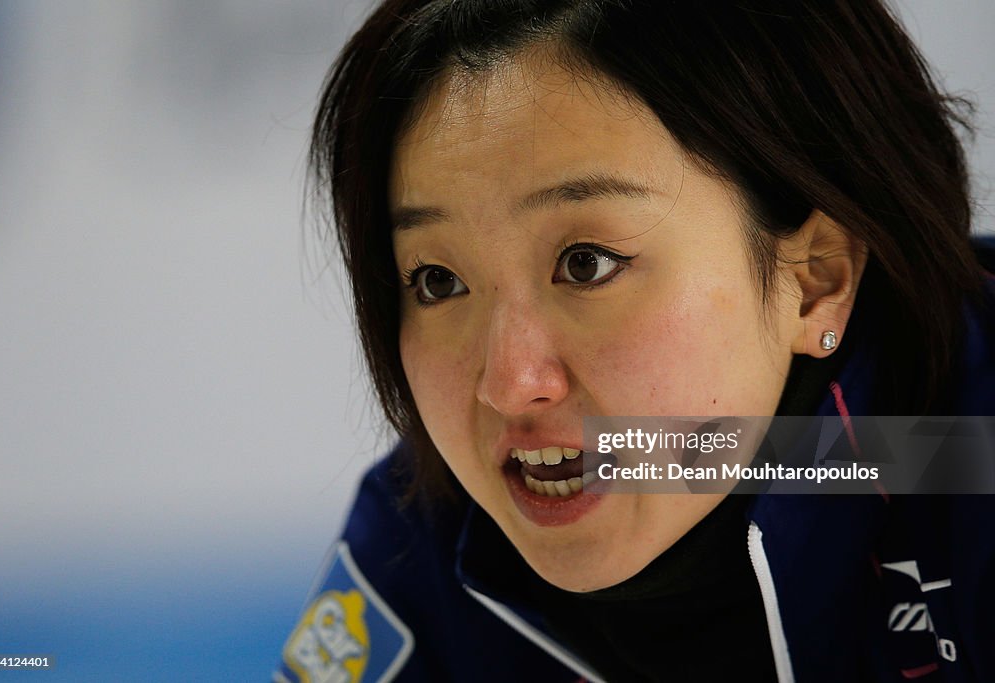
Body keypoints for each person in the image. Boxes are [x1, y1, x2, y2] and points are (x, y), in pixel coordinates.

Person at [274, 1, 995, 681]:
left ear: (814, 281)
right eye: (437, 280)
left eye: (586, 264)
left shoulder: (970, 461)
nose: (511, 380)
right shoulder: (418, 551)